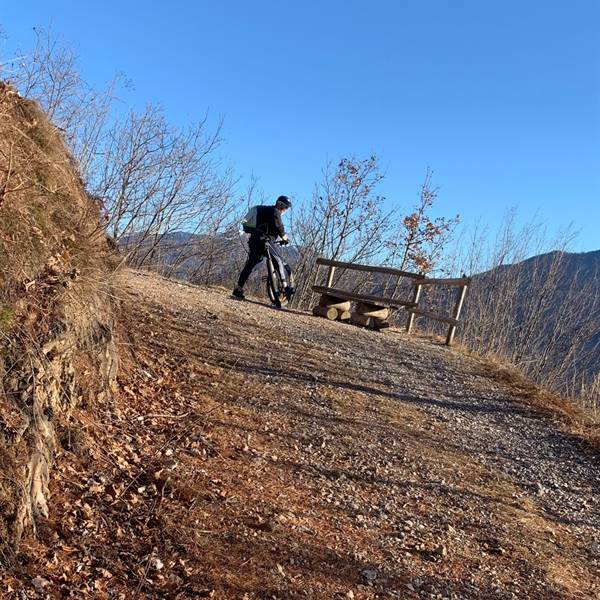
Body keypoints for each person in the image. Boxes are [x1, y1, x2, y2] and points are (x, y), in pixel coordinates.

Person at [232, 195, 291, 300]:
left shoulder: (261, 209)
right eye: (285, 207)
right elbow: (279, 227)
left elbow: (244, 223)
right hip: (266, 242)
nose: (284, 210)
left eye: (286, 208)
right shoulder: (275, 212)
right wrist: (285, 238)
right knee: (278, 260)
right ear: (280, 205)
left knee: (250, 265)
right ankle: (285, 286)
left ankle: (238, 289)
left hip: (254, 241)